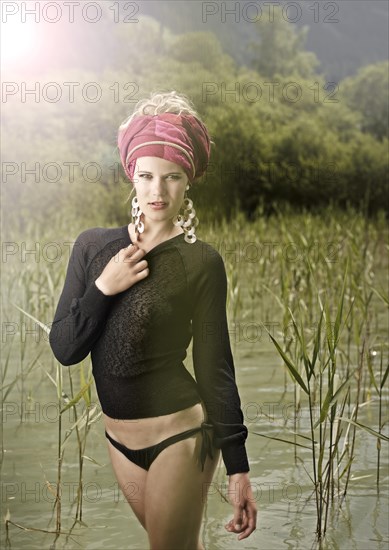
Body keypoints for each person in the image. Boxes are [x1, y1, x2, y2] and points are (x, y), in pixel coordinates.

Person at [49, 91, 257, 549]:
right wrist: (105, 286)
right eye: (146, 176)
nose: (157, 191)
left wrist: (238, 469)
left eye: (172, 177)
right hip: (118, 441)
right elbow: (66, 348)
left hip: (179, 435)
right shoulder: (93, 248)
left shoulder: (200, 262)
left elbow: (215, 368)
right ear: (131, 176)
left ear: (188, 181)